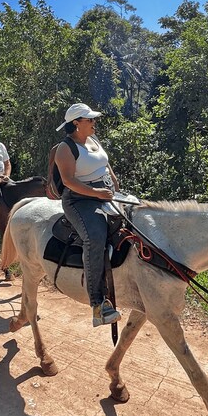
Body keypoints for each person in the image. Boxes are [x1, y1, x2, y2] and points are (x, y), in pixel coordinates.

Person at [54, 103, 122, 327]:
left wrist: (113, 181)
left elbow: (105, 163)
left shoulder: (94, 140)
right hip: (79, 199)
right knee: (94, 238)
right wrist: (96, 193)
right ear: (76, 123)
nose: (94, 123)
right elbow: (68, 181)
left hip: (104, 193)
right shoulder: (65, 148)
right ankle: (98, 303)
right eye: (90, 120)